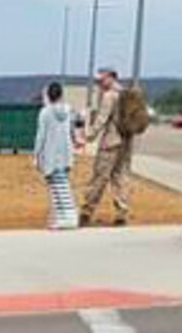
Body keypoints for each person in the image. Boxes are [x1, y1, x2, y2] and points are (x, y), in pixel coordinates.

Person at [79, 64, 145, 226]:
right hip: (126, 141)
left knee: (100, 176)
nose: (99, 83)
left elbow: (102, 120)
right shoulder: (125, 94)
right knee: (120, 176)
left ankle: (87, 211)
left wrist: (88, 136)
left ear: (110, 77)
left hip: (110, 142)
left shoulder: (109, 96)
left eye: (101, 79)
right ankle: (122, 211)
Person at [34, 80, 79, 229]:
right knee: (61, 185)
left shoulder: (45, 112)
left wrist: (36, 155)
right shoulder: (68, 111)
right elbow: (73, 131)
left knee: (59, 187)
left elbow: (41, 136)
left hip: (51, 155)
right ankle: (62, 218)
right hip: (66, 154)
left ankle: (70, 218)